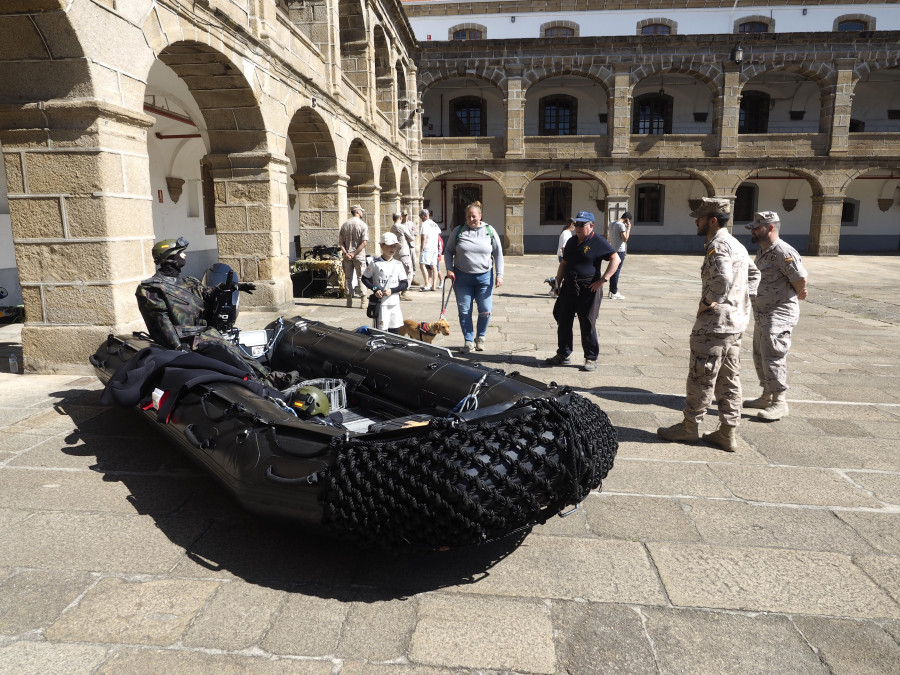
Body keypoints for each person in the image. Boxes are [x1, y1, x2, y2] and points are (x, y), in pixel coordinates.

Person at [657, 198, 760, 452]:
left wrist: (708, 301)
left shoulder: (718, 245)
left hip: (715, 325)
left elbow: (723, 279)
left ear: (713, 220)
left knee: (701, 376)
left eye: (700, 218)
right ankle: (727, 432)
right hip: (734, 324)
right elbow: (754, 274)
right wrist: (742, 301)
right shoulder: (736, 243)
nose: (696, 221)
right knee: (729, 378)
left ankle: (690, 427)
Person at [135, 237, 274, 382]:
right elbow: (161, 321)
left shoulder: (188, 282)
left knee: (237, 352)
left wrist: (230, 287)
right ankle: (258, 382)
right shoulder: (152, 288)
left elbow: (207, 292)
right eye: (181, 252)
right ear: (170, 257)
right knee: (227, 352)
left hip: (204, 334)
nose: (185, 255)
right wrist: (178, 347)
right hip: (187, 340)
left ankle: (267, 377)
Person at [744, 210, 809, 421]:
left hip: (778, 314)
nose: (752, 230)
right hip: (763, 313)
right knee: (760, 355)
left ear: (770, 227)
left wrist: (797, 293)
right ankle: (766, 395)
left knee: (773, 356)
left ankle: (779, 402)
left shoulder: (783, 251)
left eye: (756, 227)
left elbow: (799, 279)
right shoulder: (764, 250)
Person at [545, 211, 620, 372]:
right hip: (569, 286)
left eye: (581, 225)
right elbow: (564, 263)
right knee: (563, 320)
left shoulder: (598, 241)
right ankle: (563, 353)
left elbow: (616, 258)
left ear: (591, 225)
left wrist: (603, 280)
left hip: (588, 289)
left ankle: (591, 357)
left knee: (587, 323)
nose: (577, 228)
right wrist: (558, 283)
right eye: (576, 224)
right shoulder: (572, 241)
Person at [444, 201, 504, 353]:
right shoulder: (458, 231)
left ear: (480, 216)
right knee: (465, 311)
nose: (471, 219)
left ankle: (481, 337)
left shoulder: (489, 231)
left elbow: (498, 254)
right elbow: (448, 251)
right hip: (462, 278)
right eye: (469, 216)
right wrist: (449, 269)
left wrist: (499, 275)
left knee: (485, 310)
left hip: (485, 277)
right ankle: (469, 340)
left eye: (474, 216)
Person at [361, 232, 408, 334]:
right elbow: (364, 278)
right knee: (380, 332)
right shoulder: (375, 263)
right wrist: (375, 290)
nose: (392, 249)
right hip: (381, 304)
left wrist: (393, 290)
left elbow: (405, 283)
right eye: (389, 246)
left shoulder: (398, 264)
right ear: (382, 245)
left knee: (395, 331)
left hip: (394, 303)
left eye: (394, 246)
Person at [339, 205, 368, 307]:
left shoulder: (344, 225)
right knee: (361, 277)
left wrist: (346, 253)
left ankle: (349, 300)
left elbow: (340, 242)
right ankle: (363, 300)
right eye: (361, 211)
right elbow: (364, 243)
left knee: (348, 278)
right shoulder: (363, 225)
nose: (362, 213)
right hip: (358, 254)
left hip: (347, 256)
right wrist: (354, 253)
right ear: (358, 212)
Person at [607, 211, 632, 300]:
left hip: (612, 249)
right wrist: (628, 228)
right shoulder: (621, 225)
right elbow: (625, 239)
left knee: (613, 270)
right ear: (627, 219)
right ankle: (614, 291)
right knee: (616, 271)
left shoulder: (611, 223)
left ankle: (611, 291)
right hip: (620, 251)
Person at [390, 212, 415, 301]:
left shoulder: (392, 228)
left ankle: (397, 290)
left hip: (396, 252)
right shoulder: (402, 227)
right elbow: (411, 238)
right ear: (400, 218)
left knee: (398, 273)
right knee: (409, 271)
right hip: (404, 251)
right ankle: (404, 291)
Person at [419, 209, 442, 291]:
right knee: (434, 266)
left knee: (422, 265)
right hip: (434, 248)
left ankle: (427, 284)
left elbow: (424, 237)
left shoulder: (425, 224)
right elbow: (439, 232)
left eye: (421, 216)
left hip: (427, 247)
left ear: (425, 216)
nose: (420, 217)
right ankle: (434, 286)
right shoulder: (434, 224)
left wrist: (422, 248)